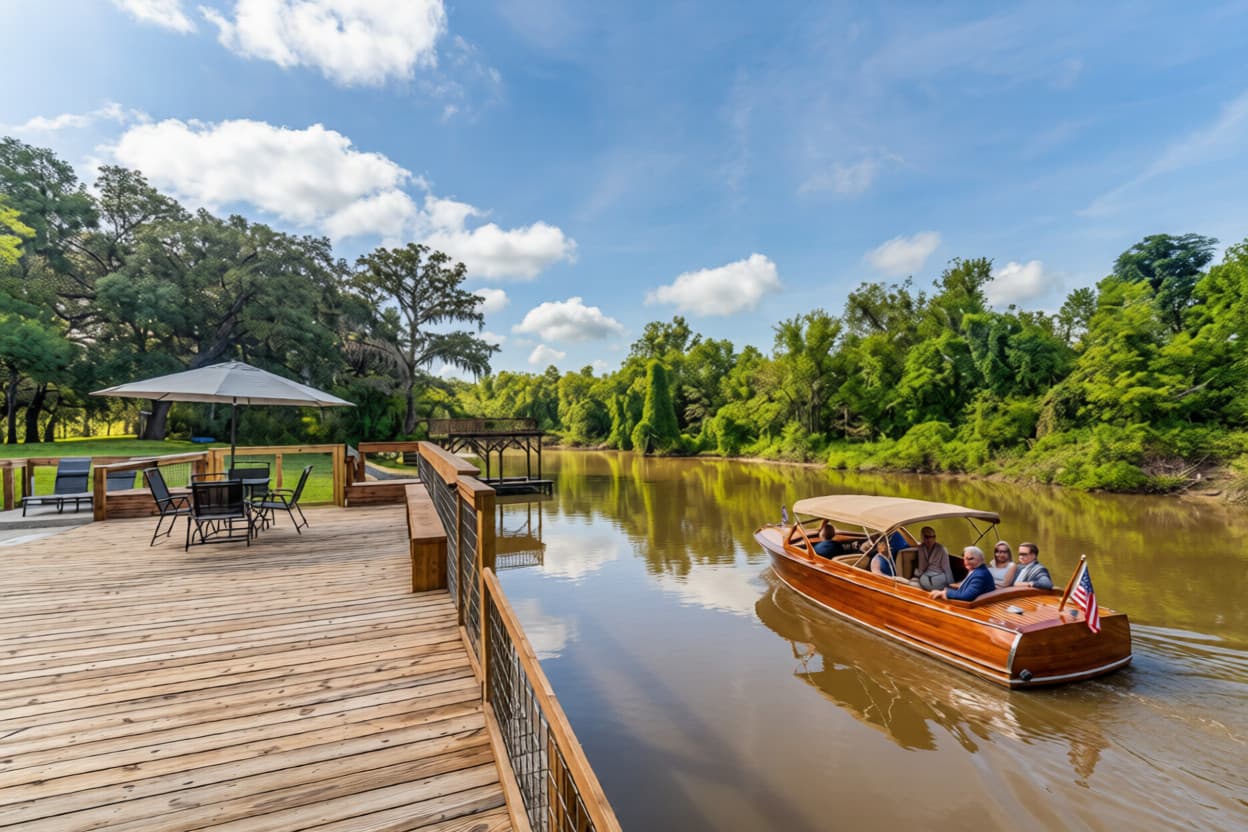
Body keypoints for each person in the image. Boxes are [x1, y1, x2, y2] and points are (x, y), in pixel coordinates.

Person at [930, 546, 994, 602]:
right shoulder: (978, 569)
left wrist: (945, 593)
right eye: (965, 558)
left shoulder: (980, 575)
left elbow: (966, 596)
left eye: (971, 559)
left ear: (981, 560)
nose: (967, 561)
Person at [912, 526, 954, 591]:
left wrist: (951, 585)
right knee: (920, 580)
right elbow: (922, 567)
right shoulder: (921, 548)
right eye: (927, 537)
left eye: (933, 537)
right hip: (927, 575)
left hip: (939, 575)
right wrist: (917, 577)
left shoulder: (942, 549)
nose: (930, 539)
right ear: (922, 537)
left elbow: (947, 569)